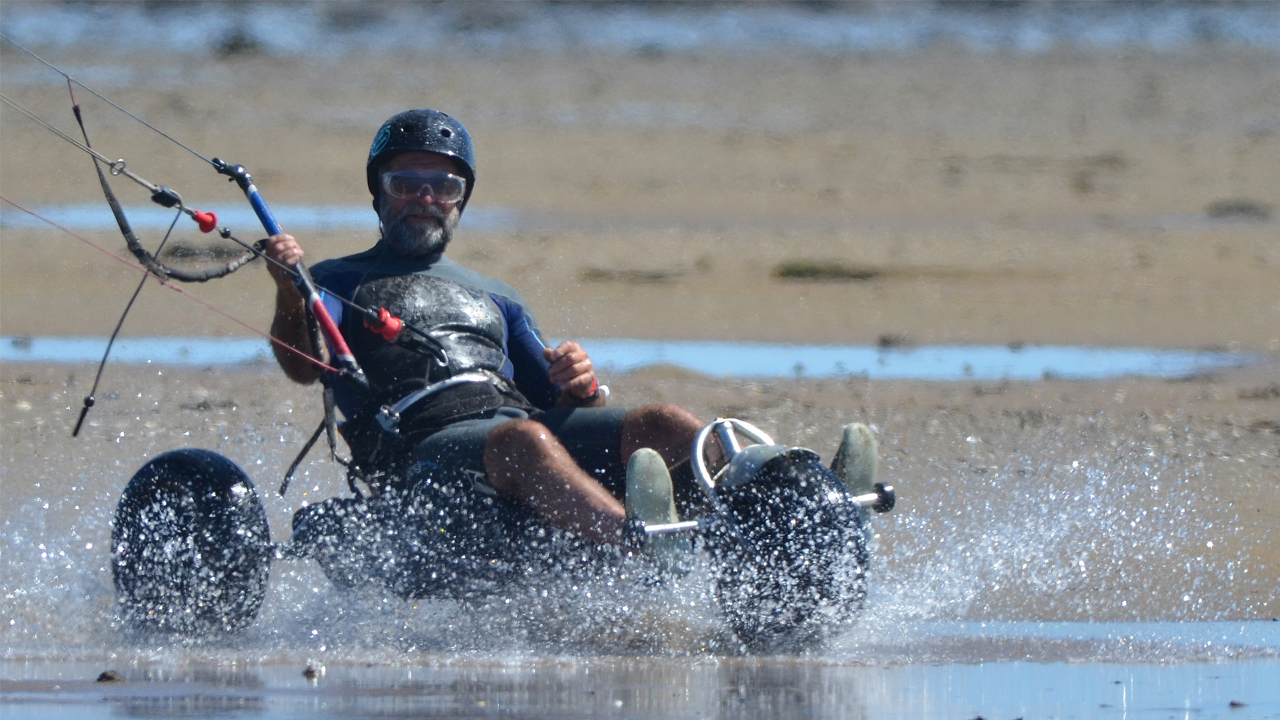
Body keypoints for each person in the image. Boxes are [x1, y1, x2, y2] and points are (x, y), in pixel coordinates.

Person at [262, 109, 707, 551]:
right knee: (524, 440)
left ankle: (751, 541)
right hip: (419, 453)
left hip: (518, 435)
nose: (425, 198)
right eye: (404, 184)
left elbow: (558, 405)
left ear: (461, 200)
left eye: (444, 187)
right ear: (378, 194)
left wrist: (582, 386)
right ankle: (639, 546)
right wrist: (289, 291)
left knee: (669, 424)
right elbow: (304, 367)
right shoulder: (334, 280)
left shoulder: (498, 296)